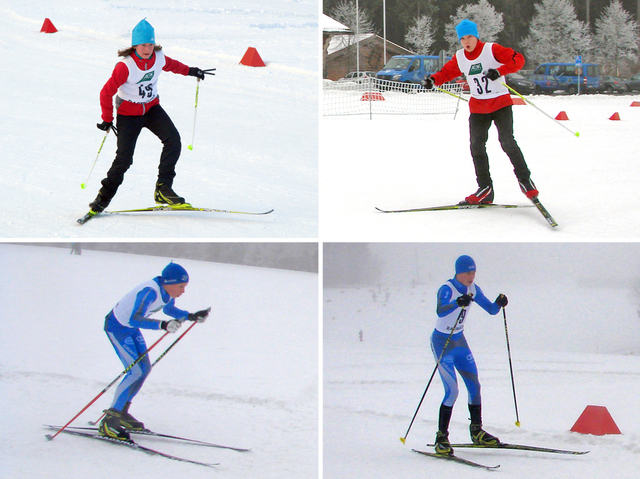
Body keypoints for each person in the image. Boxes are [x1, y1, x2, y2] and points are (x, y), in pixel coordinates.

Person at [89, 18, 211, 214]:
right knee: (124, 159)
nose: (147, 49)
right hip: (128, 113)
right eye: (143, 44)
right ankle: (103, 198)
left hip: (152, 108)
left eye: (151, 44)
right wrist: (107, 119)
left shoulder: (158, 56)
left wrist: (191, 71)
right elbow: (106, 92)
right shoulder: (125, 66)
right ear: (135, 45)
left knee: (173, 140)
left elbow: (172, 65)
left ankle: (163, 188)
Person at [423, 19, 538, 205]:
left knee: (507, 142)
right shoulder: (460, 56)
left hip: (500, 103)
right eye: (462, 38)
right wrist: (433, 80)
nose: (466, 41)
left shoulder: (491, 50)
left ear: (476, 36)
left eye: (469, 37)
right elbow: (447, 72)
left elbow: (518, 59)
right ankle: (485, 188)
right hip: (478, 108)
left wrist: (500, 71)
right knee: (476, 146)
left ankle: (525, 181)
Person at [99, 262, 210, 440]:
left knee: (144, 369)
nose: (183, 291)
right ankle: (109, 421)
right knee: (135, 371)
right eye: (180, 286)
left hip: (130, 329)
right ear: (169, 282)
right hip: (117, 328)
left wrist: (190, 316)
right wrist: (163, 325)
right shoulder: (150, 292)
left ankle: (122, 412)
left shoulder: (165, 292)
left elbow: (169, 309)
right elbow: (134, 318)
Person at [430, 255, 508, 456]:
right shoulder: (447, 288)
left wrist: (499, 303)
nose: (471, 276)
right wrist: (458, 302)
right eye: (468, 272)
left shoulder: (473, 289)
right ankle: (441, 437)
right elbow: (440, 310)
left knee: (474, 385)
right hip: (442, 343)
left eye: (473, 272)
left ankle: (476, 431)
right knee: (452, 391)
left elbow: (490, 310)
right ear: (458, 272)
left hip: (459, 342)